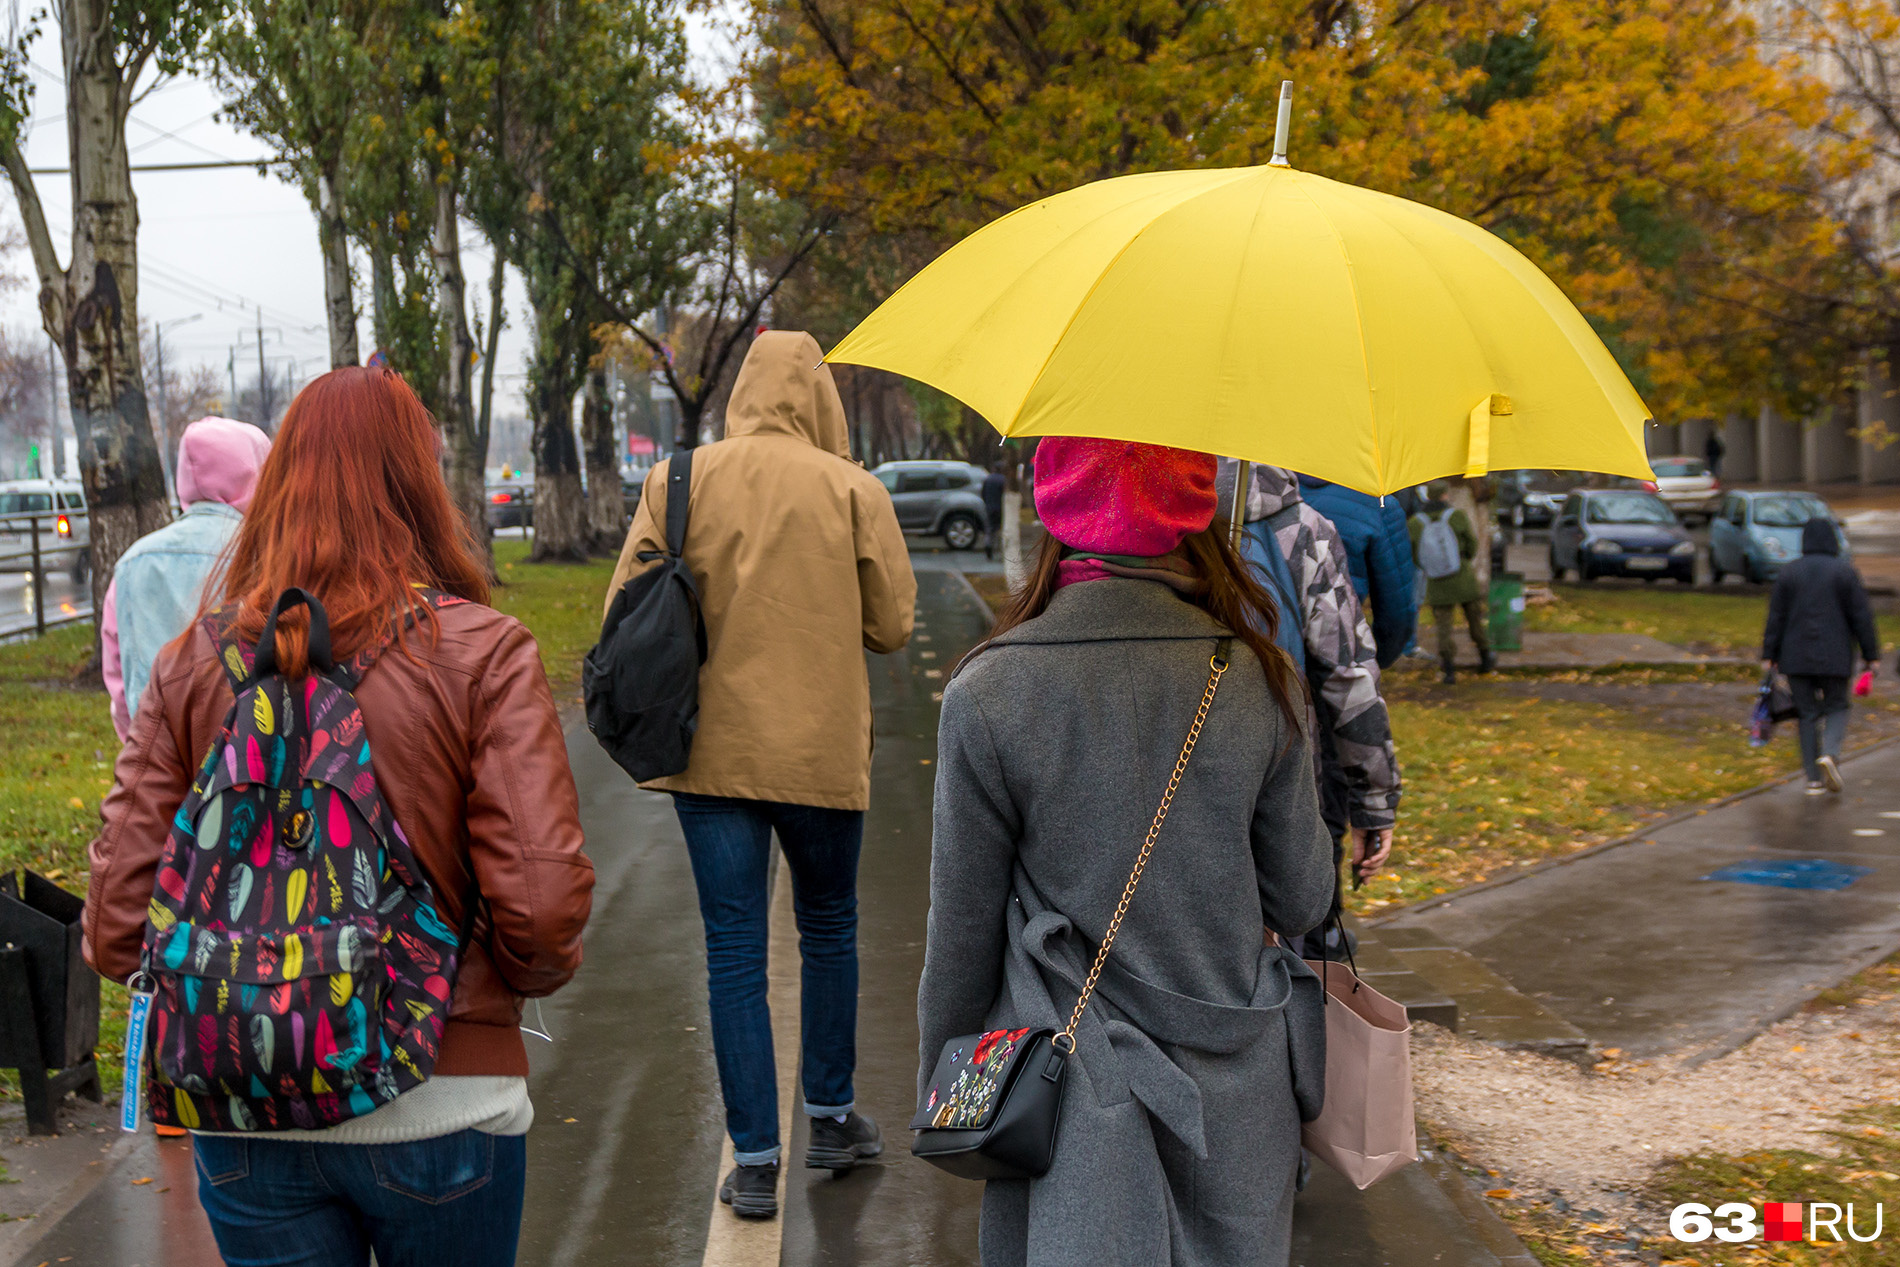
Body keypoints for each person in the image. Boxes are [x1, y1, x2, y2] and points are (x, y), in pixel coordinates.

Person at [84, 367, 595, 1267]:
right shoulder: (483, 653)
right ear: (419, 487)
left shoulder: (187, 666)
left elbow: (118, 928)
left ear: (276, 486)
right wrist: (478, 994)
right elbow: (544, 912)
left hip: (247, 1117)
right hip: (446, 1110)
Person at [920, 437, 1334, 1267]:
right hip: (1238, 1104)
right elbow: (1303, 899)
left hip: (1067, 1096)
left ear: (1055, 509)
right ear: (1195, 509)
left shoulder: (989, 692)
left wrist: (951, 1092)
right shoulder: (1260, 677)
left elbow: (961, 937)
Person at [605, 331, 915, 1220]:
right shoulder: (853, 490)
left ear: (741, 392)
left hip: (711, 759)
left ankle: (752, 1161)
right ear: (821, 401)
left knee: (734, 949)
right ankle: (831, 1116)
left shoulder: (679, 481)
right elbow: (893, 625)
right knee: (828, 927)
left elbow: (621, 608)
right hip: (820, 755)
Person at [1223, 463, 1401, 893]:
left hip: (1162, 796)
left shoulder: (1142, 526)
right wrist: (1373, 804)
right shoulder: (1302, 530)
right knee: (1285, 937)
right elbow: (1348, 675)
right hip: (1283, 789)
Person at [101, 416, 271, 739]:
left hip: (158, 760)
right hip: (250, 762)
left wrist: (137, 748)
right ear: (256, 476)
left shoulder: (133, 564)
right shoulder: (268, 556)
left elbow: (120, 680)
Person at [1762, 516, 1878, 794]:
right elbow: (1861, 616)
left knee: (1807, 713)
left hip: (1795, 656)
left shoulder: (1789, 572)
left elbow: (1776, 617)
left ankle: (1813, 778)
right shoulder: (1844, 572)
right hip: (1835, 656)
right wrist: (1870, 655)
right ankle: (1830, 752)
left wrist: (1769, 654)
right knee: (1838, 705)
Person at [1295, 475, 1417, 668]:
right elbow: (1397, 608)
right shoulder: (1377, 505)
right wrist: (1375, 660)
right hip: (1336, 656)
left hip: (1261, 651)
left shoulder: (1257, 490)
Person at [1410, 481, 1494, 685]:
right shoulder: (1456, 516)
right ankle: (1485, 658)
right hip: (1462, 576)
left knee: (1444, 627)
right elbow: (1472, 544)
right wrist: (1463, 560)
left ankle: (1448, 670)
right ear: (1445, 496)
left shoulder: (1415, 523)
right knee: (1474, 620)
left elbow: (1415, 556)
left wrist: (1430, 568)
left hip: (1438, 581)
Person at [982, 462, 1007, 560]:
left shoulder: (988, 479)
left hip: (989, 507)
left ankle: (988, 544)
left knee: (990, 528)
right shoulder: (1003, 480)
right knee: (1000, 528)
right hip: (1000, 508)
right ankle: (999, 549)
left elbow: (983, 493)